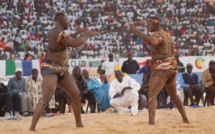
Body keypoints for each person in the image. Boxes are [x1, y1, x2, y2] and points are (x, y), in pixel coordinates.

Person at [29, 12, 99, 131]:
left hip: (62, 69)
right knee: (46, 98)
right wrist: (88, 35)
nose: (68, 22)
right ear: (60, 20)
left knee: (76, 95)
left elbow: (68, 38)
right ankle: (32, 128)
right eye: (66, 20)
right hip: (51, 68)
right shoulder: (55, 32)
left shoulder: (58, 33)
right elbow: (75, 43)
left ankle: (79, 124)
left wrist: (77, 33)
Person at [129, 14, 189, 124]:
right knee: (174, 95)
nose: (148, 27)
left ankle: (151, 122)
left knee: (151, 95)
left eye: (149, 24)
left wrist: (136, 31)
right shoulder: (167, 35)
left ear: (155, 24)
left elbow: (153, 41)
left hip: (163, 68)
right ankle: (185, 119)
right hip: (171, 67)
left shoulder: (159, 35)